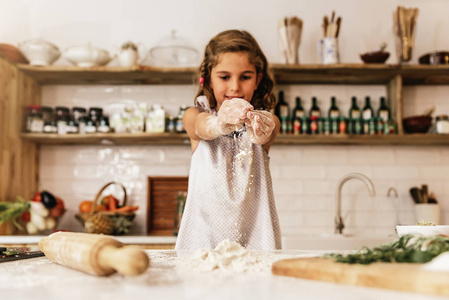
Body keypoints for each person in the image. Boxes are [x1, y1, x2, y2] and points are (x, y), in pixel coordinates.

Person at [175, 29, 281, 250]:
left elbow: (268, 133)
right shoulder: (194, 115)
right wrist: (219, 124)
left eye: (245, 77)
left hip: (255, 240)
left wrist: (259, 130)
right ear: (209, 79)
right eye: (224, 77)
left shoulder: (266, 121)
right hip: (203, 238)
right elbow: (200, 127)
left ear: (257, 79)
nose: (235, 86)